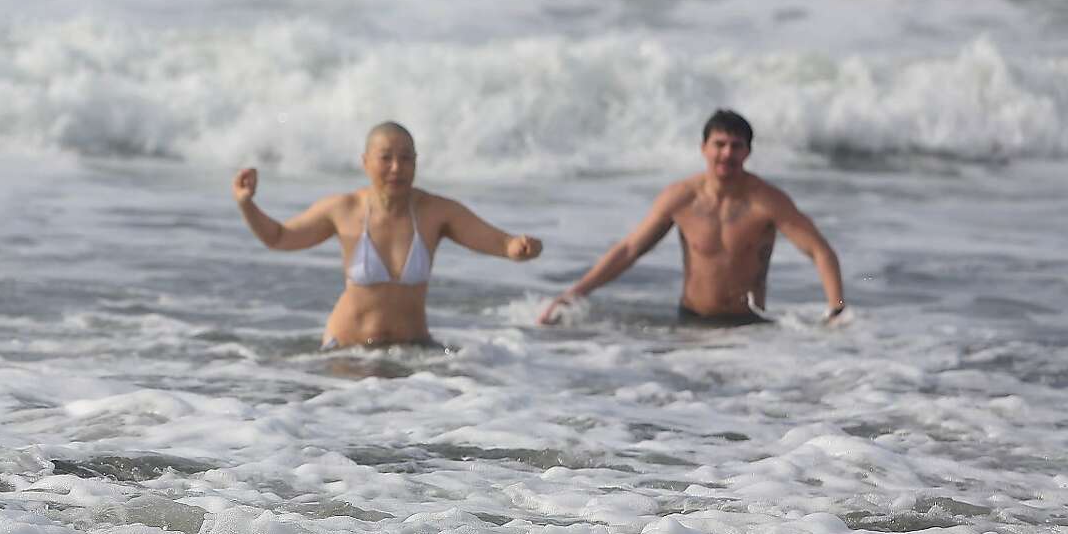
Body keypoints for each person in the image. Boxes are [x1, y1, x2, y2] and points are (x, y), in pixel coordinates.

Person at [233, 121, 543, 348]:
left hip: (414, 354)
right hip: (345, 352)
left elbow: (503, 243)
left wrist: (521, 246)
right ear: (365, 161)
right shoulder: (344, 209)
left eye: (406, 158)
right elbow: (279, 237)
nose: (397, 167)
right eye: (386, 157)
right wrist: (247, 204)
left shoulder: (435, 212)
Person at [538, 110, 846, 327]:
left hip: (749, 330)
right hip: (691, 325)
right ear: (703, 148)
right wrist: (574, 294)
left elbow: (819, 250)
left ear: (748, 152)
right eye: (720, 144)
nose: (727, 153)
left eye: (736, 146)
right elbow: (629, 250)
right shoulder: (681, 198)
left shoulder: (767, 201)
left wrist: (837, 309)